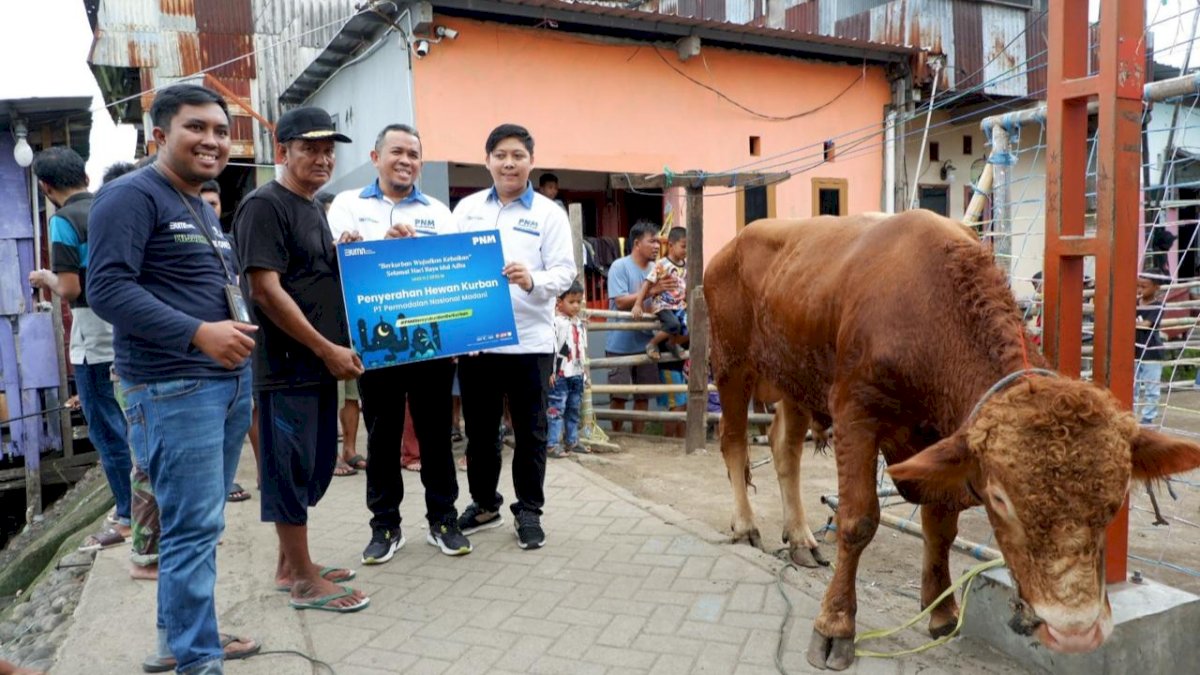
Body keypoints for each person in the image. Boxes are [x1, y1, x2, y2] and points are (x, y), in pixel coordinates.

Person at [88, 83, 260, 674]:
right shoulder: (130, 196)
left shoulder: (195, 203)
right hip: (173, 386)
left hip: (225, 382)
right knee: (192, 527)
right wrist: (198, 332)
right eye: (196, 128)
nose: (212, 140)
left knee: (199, 522)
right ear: (160, 135)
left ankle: (180, 639)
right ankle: (198, 661)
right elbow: (106, 288)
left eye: (220, 129)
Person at [233, 106, 369, 612]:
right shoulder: (263, 206)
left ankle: (291, 565)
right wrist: (325, 348)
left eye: (328, 150)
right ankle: (306, 581)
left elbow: (312, 276)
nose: (322, 158)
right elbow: (266, 291)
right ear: (281, 152)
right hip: (286, 364)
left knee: (309, 467)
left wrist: (347, 252)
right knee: (288, 469)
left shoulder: (312, 208)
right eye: (309, 148)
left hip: (315, 364)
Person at [326, 123, 467, 560]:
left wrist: (464, 331)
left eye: (414, 155)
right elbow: (333, 264)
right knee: (383, 437)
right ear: (375, 158)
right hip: (376, 343)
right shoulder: (348, 205)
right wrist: (375, 246)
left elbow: (454, 274)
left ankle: (443, 520)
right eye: (397, 152)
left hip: (430, 342)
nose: (406, 161)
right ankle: (385, 526)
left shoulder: (440, 214)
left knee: (436, 436)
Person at [453, 123, 575, 550]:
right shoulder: (466, 209)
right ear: (487, 160)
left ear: (530, 161)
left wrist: (532, 279)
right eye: (501, 154)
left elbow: (565, 272)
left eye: (518, 155)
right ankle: (484, 503)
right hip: (477, 342)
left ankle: (529, 511)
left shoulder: (549, 213)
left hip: (529, 344)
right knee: (481, 431)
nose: (509, 162)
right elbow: (450, 267)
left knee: (531, 431)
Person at [27, 148, 132, 551]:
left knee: (107, 430)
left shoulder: (63, 220)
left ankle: (126, 517)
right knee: (132, 422)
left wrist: (45, 278)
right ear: (84, 174)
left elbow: (70, 288)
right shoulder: (112, 206)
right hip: (128, 325)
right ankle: (141, 507)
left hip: (92, 336)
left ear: (46, 186)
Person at [604, 220, 671, 433]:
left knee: (643, 396)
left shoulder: (657, 269)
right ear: (636, 243)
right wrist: (651, 291)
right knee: (619, 395)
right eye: (651, 241)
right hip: (619, 344)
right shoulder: (619, 266)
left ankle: (638, 438)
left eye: (658, 242)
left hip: (646, 342)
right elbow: (621, 302)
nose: (656, 246)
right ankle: (617, 435)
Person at [632, 225, 688, 362]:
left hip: (678, 305)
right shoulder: (663, 264)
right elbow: (647, 282)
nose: (686, 250)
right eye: (683, 246)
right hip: (663, 304)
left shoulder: (685, 265)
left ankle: (671, 343)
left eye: (688, 247)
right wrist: (638, 304)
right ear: (671, 245)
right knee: (673, 324)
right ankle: (652, 343)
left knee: (687, 325)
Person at [547, 280, 588, 458]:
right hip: (561, 373)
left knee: (574, 408)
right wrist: (551, 371)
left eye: (579, 302)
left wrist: (584, 370)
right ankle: (552, 443)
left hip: (577, 372)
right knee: (556, 409)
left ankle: (572, 440)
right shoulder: (555, 323)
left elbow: (582, 349)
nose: (576, 306)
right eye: (571, 302)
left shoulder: (579, 323)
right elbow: (552, 348)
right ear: (559, 301)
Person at [1136, 269, 1167, 426]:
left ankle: (1147, 419)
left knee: (1151, 389)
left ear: (1156, 287)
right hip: (1133, 351)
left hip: (1151, 352)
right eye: (1138, 286)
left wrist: (1131, 323)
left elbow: (1145, 325)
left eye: (1144, 286)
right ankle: (1131, 417)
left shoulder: (1158, 306)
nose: (1140, 290)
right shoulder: (1133, 303)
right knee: (1132, 387)